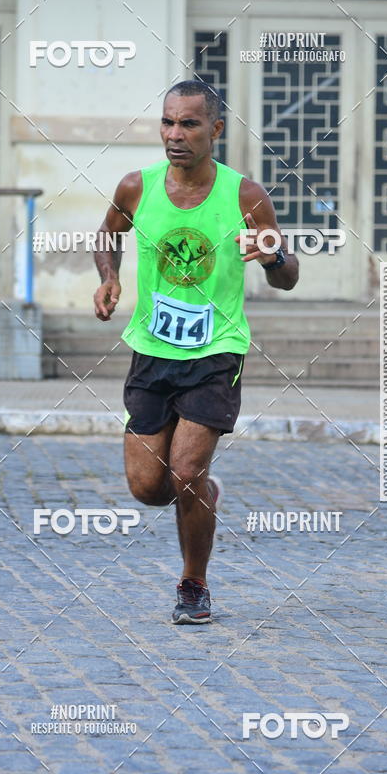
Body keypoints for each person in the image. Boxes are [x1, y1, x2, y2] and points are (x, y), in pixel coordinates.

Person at [93, 79, 298, 624]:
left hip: (216, 351)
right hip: (152, 352)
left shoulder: (246, 196)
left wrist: (273, 258)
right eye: (167, 122)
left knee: (184, 473)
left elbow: (289, 278)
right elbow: (107, 233)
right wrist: (109, 278)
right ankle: (205, 490)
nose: (174, 135)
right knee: (148, 488)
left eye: (188, 123)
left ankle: (193, 583)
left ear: (216, 129)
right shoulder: (137, 187)